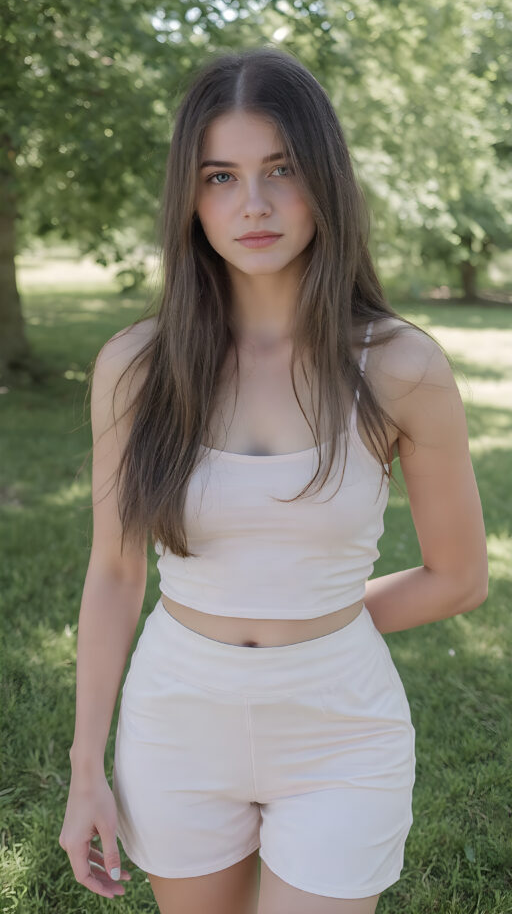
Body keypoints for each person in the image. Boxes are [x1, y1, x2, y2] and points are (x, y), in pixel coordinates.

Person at [59, 48, 488, 914]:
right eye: (221, 175)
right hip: (177, 716)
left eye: (281, 170)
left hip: (340, 725)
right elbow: (114, 571)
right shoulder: (136, 367)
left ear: (324, 181)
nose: (252, 204)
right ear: (190, 195)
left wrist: (314, 626)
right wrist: (84, 771)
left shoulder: (401, 366)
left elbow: (459, 576)